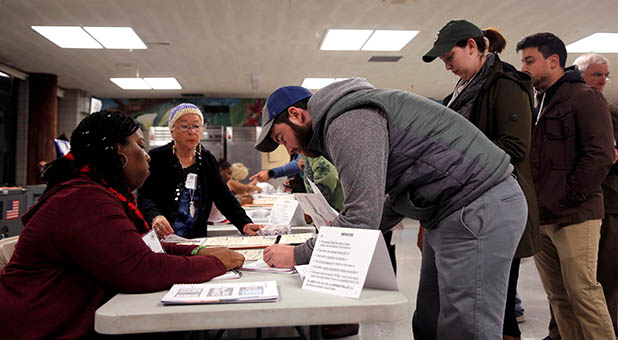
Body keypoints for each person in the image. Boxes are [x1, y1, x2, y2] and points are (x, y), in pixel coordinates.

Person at [255, 80, 526, 340]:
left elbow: (361, 217)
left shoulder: (349, 120)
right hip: (446, 210)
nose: (289, 148)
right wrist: (341, 230)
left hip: (477, 204)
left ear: (296, 114)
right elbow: (388, 200)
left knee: (467, 329)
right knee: (429, 322)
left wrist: (298, 254)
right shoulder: (348, 116)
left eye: (281, 138)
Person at [0, 111, 244, 339]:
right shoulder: (83, 199)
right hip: (40, 328)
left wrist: (196, 250)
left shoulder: (102, 194)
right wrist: (215, 263)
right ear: (118, 153)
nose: (147, 155)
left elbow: (139, 247)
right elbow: (141, 269)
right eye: (139, 145)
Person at [422, 19, 539, 340]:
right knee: (471, 305)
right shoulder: (460, 92)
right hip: (464, 210)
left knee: (500, 311)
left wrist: (456, 159)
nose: (447, 67)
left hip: (499, 208)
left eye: (450, 58)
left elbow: (515, 148)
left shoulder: (506, 84)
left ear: (472, 47)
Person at [517, 33, 616, 340]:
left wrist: (572, 195)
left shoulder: (585, 97)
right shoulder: (537, 102)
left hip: (575, 215)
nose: (524, 67)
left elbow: (599, 154)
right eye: (522, 60)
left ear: (553, 60)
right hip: (542, 218)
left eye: (529, 60)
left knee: (583, 293)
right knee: (558, 298)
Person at [138, 103, 262, 239]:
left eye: (196, 126)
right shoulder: (158, 158)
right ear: (172, 131)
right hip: (162, 237)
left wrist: (244, 224)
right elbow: (144, 197)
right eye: (185, 126)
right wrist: (155, 216)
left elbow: (224, 197)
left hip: (195, 238)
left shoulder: (207, 160)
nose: (191, 131)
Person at [573, 53, 618, 337]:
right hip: (579, 204)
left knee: (608, 275)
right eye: (596, 75)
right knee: (577, 278)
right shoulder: (567, 108)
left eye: (605, 75)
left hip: (611, 203)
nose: (602, 81)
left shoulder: (612, 112)